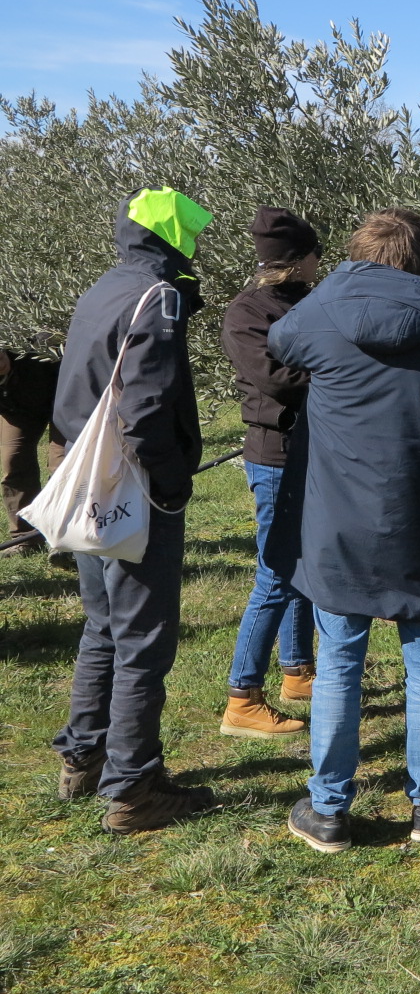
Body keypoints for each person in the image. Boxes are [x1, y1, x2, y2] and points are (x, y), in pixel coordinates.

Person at [269, 208, 420, 854]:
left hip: (336, 519)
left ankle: (329, 810)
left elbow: (281, 342)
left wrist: (334, 293)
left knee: (339, 659)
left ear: (359, 255)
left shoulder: (324, 311)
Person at [51, 186, 217, 833]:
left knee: (103, 626)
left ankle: (82, 757)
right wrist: (171, 483)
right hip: (133, 488)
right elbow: (145, 410)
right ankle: (133, 789)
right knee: (143, 639)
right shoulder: (158, 296)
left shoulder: (103, 288)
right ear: (175, 237)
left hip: (86, 479)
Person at [217, 208, 321, 740]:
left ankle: (298, 672)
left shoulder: (308, 301)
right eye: (315, 254)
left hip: (312, 451)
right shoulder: (247, 312)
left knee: (301, 565)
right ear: (298, 259)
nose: (320, 262)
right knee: (276, 573)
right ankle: (242, 698)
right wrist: (341, 373)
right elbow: (276, 379)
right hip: (275, 455)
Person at [0, 343, 64, 552]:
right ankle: (25, 538)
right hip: (17, 403)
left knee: (62, 465)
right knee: (14, 460)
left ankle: (64, 538)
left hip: (63, 391)